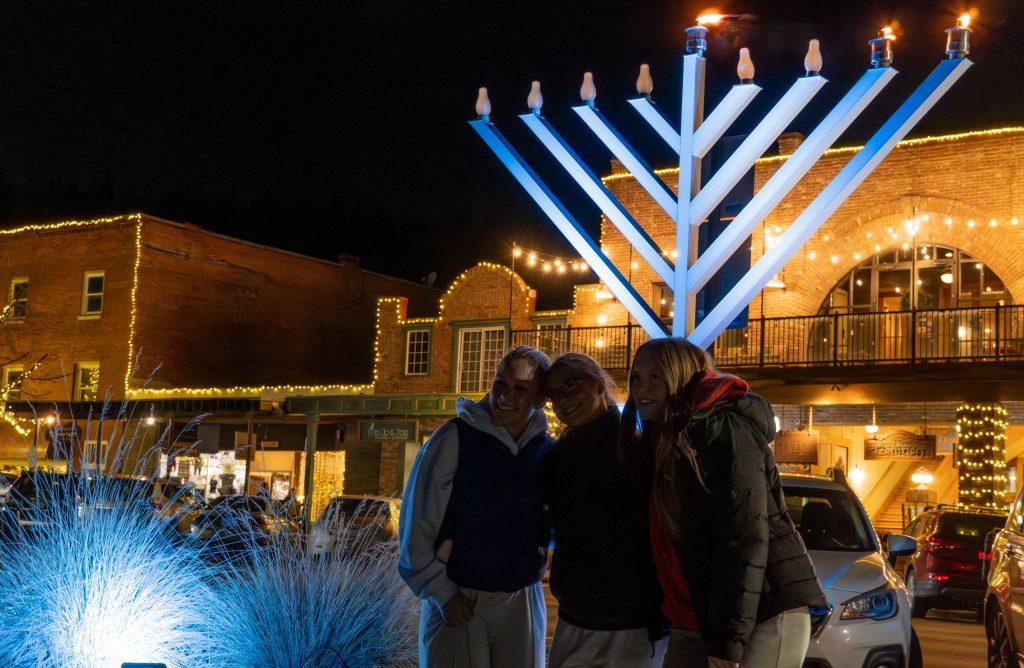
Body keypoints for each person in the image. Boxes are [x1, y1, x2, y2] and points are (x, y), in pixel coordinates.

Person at [620, 338, 827, 668]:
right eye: (636, 377)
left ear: (681, 377)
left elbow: (743, 535)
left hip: (760, 614)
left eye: (657, 376)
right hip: (697, 617)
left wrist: (728, 640)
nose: (642, 387)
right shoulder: (657, 441)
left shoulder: (724, 428)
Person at [398, 346, 553, 668]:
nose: (504, 396)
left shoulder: (545, 450)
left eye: (520, 389)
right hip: (460, 597)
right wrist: (441, 592)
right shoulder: (453, 438)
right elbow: (417, 522)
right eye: (500, 383)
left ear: (539, 400)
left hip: (521, 596)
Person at [540, 353, 668, 667]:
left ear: (598, 384)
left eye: (570, 384)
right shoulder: (558, 456)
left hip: (632, 623)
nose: (562, 399)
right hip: (577, 616)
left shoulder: (640, 445)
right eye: (554, 394)